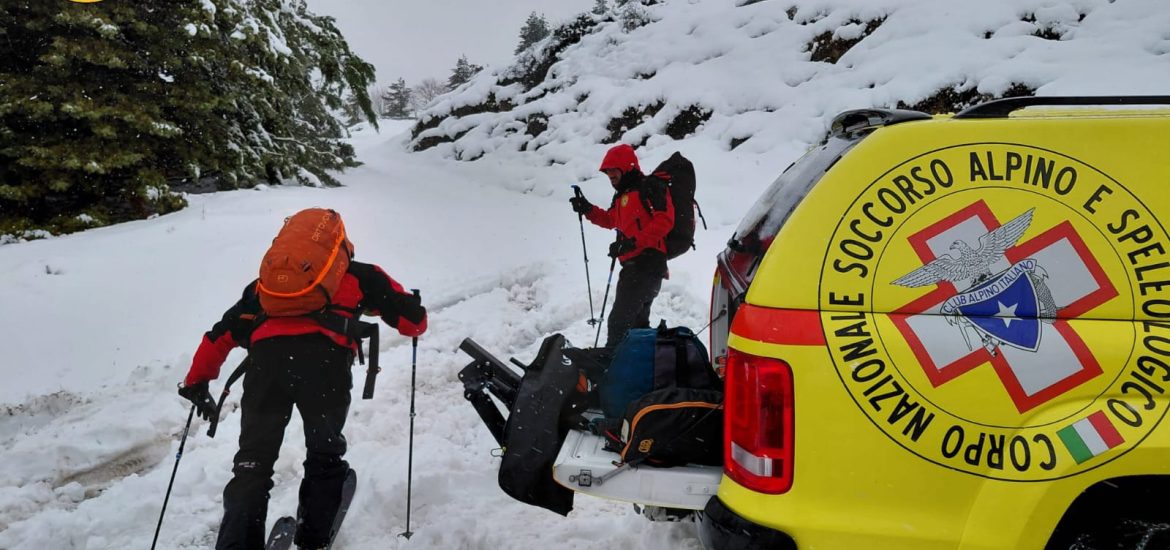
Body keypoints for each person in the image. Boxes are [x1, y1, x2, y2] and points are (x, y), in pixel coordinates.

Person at [178, 211, 427, 550]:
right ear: (339, 245)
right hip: (325, 370)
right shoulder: (358, 276)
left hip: (266, 370)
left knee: (252, 465)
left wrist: (197, 381)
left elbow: (220, 334)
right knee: (324, 454)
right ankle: (313, 540)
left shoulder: (265, 288)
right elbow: (414, 323)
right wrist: (407, 308)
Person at [570, 143, 674, 350]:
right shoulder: (621, 196)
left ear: (626, 167)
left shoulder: (650, 186)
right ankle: (643, 364)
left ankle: (611, 363)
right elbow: (611, 220)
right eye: (607, 172)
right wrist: (588, 209)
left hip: (648, 264)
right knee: (636, 327)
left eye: (613, 170)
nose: (610, 175)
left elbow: (665, 220)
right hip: (633, 268)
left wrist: (632, 242)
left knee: (619, 322)